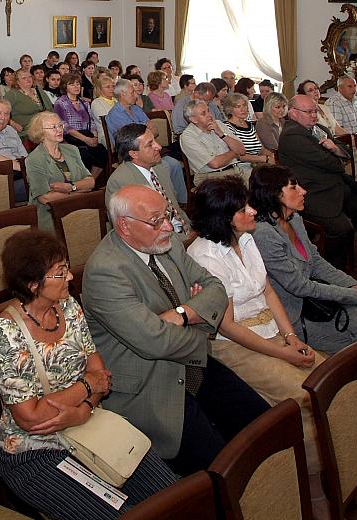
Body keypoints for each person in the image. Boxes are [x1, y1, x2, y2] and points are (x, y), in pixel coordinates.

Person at [0, 229, 179, 519]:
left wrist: (84, 410)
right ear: (33, 284)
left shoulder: (67, 306)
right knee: (118, 514)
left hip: (89, 424)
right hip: (34, 451)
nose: (70, 277)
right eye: (60, 272)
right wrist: (88, 388)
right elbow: (31, 417)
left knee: (171, 495)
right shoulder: (6, 334)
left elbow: (100, 370)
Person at [82, 185, 270, 476]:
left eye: (167, 215)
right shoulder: (105, 272)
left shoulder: (164, 244)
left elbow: (216, 289)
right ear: (125, 226)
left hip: (192, 364)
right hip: (151, 382)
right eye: (156, 220)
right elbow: (155, 343)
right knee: (225, 468)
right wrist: (200, 320)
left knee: (264, 425)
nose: (169, 225)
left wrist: (182, 313)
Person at [185, 175, 327, 512]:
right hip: (233, 343)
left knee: (327, 381)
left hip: (270, 330)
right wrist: (282, 352)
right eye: (243, 208)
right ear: (224, 217)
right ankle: (313, 487)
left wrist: (291, 336)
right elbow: (229, 326)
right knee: (303, 396)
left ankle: (337, 466)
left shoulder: (245, 239)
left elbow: (267, 290)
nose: (252, 211)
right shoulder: (205, 256)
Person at [248, 164, 357, 435]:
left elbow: (316, 263)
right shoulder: (264, 235)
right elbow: (300, 286)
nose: (303, 191)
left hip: (320, 305)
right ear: (275, 195)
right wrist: (354, 296)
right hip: (300, 316)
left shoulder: (292, 218)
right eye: (294, 187)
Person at [278, 94, 357, 270]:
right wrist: (336, 155)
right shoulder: (291, 136)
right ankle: (330, 273)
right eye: (309, 112)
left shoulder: (319, 128)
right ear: (293, 113)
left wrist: (335, 149)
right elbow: (333, 164)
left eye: (315, 111)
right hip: (315, 194)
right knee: (342, 229)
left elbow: (346, 151)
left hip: (338, 189)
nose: (314, 115)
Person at [105, 79, 187, 199]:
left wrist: (146, 133)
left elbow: (154, 128)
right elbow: (133, 140)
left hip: (148, 149)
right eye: (133, 92)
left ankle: (180, 202)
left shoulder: (136, 109)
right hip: (132, 155)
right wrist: (147, 131)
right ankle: (162, 201)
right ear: (122, 94)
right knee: (165, 166)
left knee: (174, 164)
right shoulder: (114, 115)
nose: (136, 95)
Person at [106, 123, 191, 234]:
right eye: (150, 144)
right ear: (134, 154)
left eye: (154, 140)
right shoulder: (120, 182)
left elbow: (175, 208)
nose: (159, 147)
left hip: (183, 229)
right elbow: (135, 231)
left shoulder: (159, 168)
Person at [25, 112, 94, 230]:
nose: (59, 130)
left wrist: (70, 187)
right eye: (53, 127)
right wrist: (78, 190)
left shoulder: (72, 150)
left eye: (60, 125)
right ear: (40, 132)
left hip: (78, 209)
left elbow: (90, 182)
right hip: (51, 216)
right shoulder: (34, 159)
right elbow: (45, 198)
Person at [179, 100, 247, 186]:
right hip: (210, 178)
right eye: (204, 113)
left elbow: (242, 150)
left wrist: (222, 134)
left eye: (208, 111)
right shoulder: (188, 136)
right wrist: (234, 152)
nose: (209, 115)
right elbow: (215, 164)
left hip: (235, 171)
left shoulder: (218, 124)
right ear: (193, 119)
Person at [53, 74, 107, 180]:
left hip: (87, 134)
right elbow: (65, 126)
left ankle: (91, 180)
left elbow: (91, 122)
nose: (76, 86)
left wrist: (94, 137)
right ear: (65, 87)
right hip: (71, 138)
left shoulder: (84, 102)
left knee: (102, 152)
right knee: (84, 154)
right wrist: (86, 139)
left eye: (77, 84)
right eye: (72, 84)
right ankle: (82, 181)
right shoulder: (61, 103)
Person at [222, 93, 274, 167]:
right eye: (238, 106)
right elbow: (237, 155)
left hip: (257, 165)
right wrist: (263, 159)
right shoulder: (227, 127)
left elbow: (261, 148)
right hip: (240, 167)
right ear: (230, 109)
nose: (243, 109)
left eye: (244, 105)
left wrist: (271, 155)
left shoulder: (250, 125)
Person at [4, 69, 54, 142]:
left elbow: (50, 109)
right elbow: (1, 112)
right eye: (24, 78)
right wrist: (12, 123)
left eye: (30, 77)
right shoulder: (12, 94)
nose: (28, 79)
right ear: (17, 81)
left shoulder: (39, 91)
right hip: (26, 133)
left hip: (46, 128)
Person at [90, 74, 116, 146]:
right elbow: (106, 121)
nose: (112, 89)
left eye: (113, 86)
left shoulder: (117, 101)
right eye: (108, 87)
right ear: (100, 89)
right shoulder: (96, 103)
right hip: (106, 135)